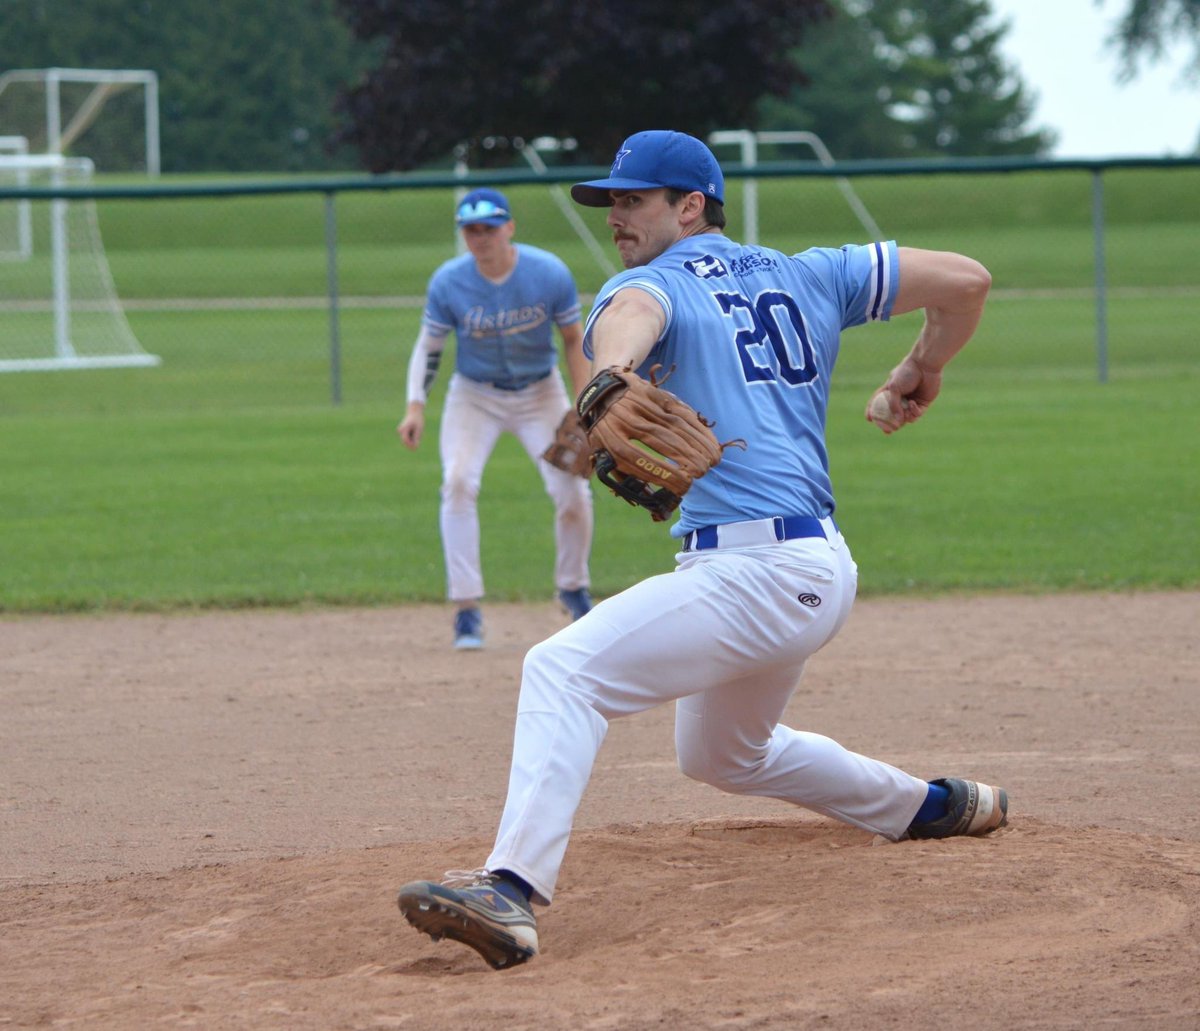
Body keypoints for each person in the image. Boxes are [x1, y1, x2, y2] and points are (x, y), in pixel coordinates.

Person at [397, 131, 1005, 969]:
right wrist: (920, 366)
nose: (617, 216)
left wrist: (608, 372)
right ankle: (930, 806)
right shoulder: (813, 270)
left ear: (691, 206)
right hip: (814, 567)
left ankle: (511, 888)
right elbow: (966, 282)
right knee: (722, 753)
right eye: (611, 201)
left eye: (634, 200)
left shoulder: (651, 283)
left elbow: (629, 320)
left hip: (758, 571)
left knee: (561, 669)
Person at [397, 188, 595, 650]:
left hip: (541, 391)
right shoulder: (449, 282)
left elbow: (572, 337)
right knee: (459, 482)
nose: (480, 237)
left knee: (572, 490)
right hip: (475, 395)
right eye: (471, 229)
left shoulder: (548, 273)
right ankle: (467, 610)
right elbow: (429, 346)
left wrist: (584, 402)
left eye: (489, 227)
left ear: (509, 227)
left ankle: (572, 588)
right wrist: (414, 405)